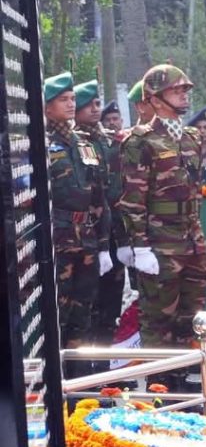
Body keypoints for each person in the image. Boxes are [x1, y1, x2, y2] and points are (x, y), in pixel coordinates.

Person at [118, 65, 206, 391]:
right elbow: (132, 198)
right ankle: (159, 388)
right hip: (159, 242)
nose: (184, 95)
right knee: (158, 319)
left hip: (191, 240)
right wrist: (140, 247)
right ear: (154, 99)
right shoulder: (139, 141)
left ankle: (179, 378)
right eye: (176, 90)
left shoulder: (192, 137)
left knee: (189, 315)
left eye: (185, 90)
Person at [44, 72, 110, 377]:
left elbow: (99, 193)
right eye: (63, 100)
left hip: (87, 241)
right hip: (57, 242)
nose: (71, 104)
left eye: (72, 99)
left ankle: (79, 386)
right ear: (46, 107)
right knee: (57, 316)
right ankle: (56, 383)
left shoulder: (84, 142)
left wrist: (105, 242)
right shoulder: (38, 143)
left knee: (84, 315)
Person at [74, 79, 124, 358]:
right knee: (87, 310)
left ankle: (107, 370)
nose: (96, 109)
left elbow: (118, 191)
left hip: (114, 234)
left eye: (96, 104)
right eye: (89, 104)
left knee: (110, 307)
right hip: (87, 237)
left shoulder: (109, 142)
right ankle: (86, 371)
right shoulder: (76, 143)